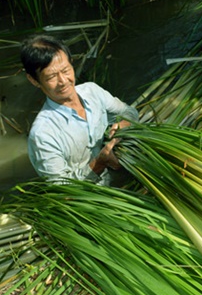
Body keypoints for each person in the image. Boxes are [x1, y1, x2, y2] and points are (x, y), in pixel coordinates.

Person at [21, 34, 138, 185]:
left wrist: (124, 124)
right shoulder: (43, 135)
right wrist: (99, 164)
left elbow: (131, 112)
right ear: (33, 80)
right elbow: (63, 191)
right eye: (51, 77)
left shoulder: (92, 91)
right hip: (94, 198)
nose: (63, 81)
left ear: (71, 63)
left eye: (66, 70)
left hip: (127, 175)